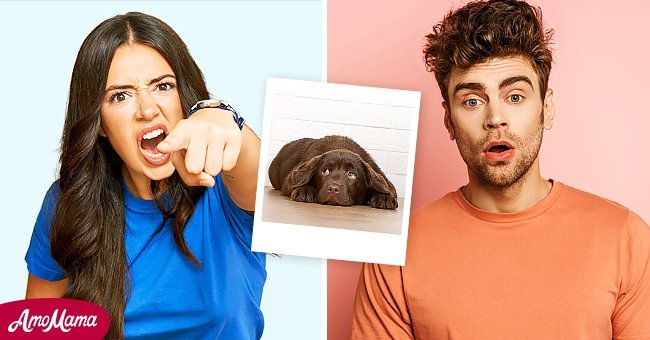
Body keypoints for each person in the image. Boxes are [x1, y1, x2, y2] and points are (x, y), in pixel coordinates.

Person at [350, 0, 650, 339]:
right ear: (449, 121)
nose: (495, 118)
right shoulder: (396, 251)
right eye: (472, 101)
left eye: (516, 96)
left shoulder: (625, 237)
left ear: (546, 109)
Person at [24, 12, 265, 339]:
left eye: (163, 86)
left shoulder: (228, 191)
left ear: (183, 100)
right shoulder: (68, 202)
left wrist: (224, 117)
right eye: (120, 96)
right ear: (101, 126)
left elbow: (257, 164)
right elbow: (38, 329)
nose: (148, 109)